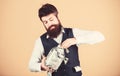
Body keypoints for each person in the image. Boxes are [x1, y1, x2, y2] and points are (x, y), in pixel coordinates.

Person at [29, 3, 105, 76]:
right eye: (45, 22)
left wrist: (75, 40)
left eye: (51, 19)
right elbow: (31, 65)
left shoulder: (73, 32)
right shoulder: (40, 41)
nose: (49, 24)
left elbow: (100, 36)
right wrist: (41, 66)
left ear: (57, 18)